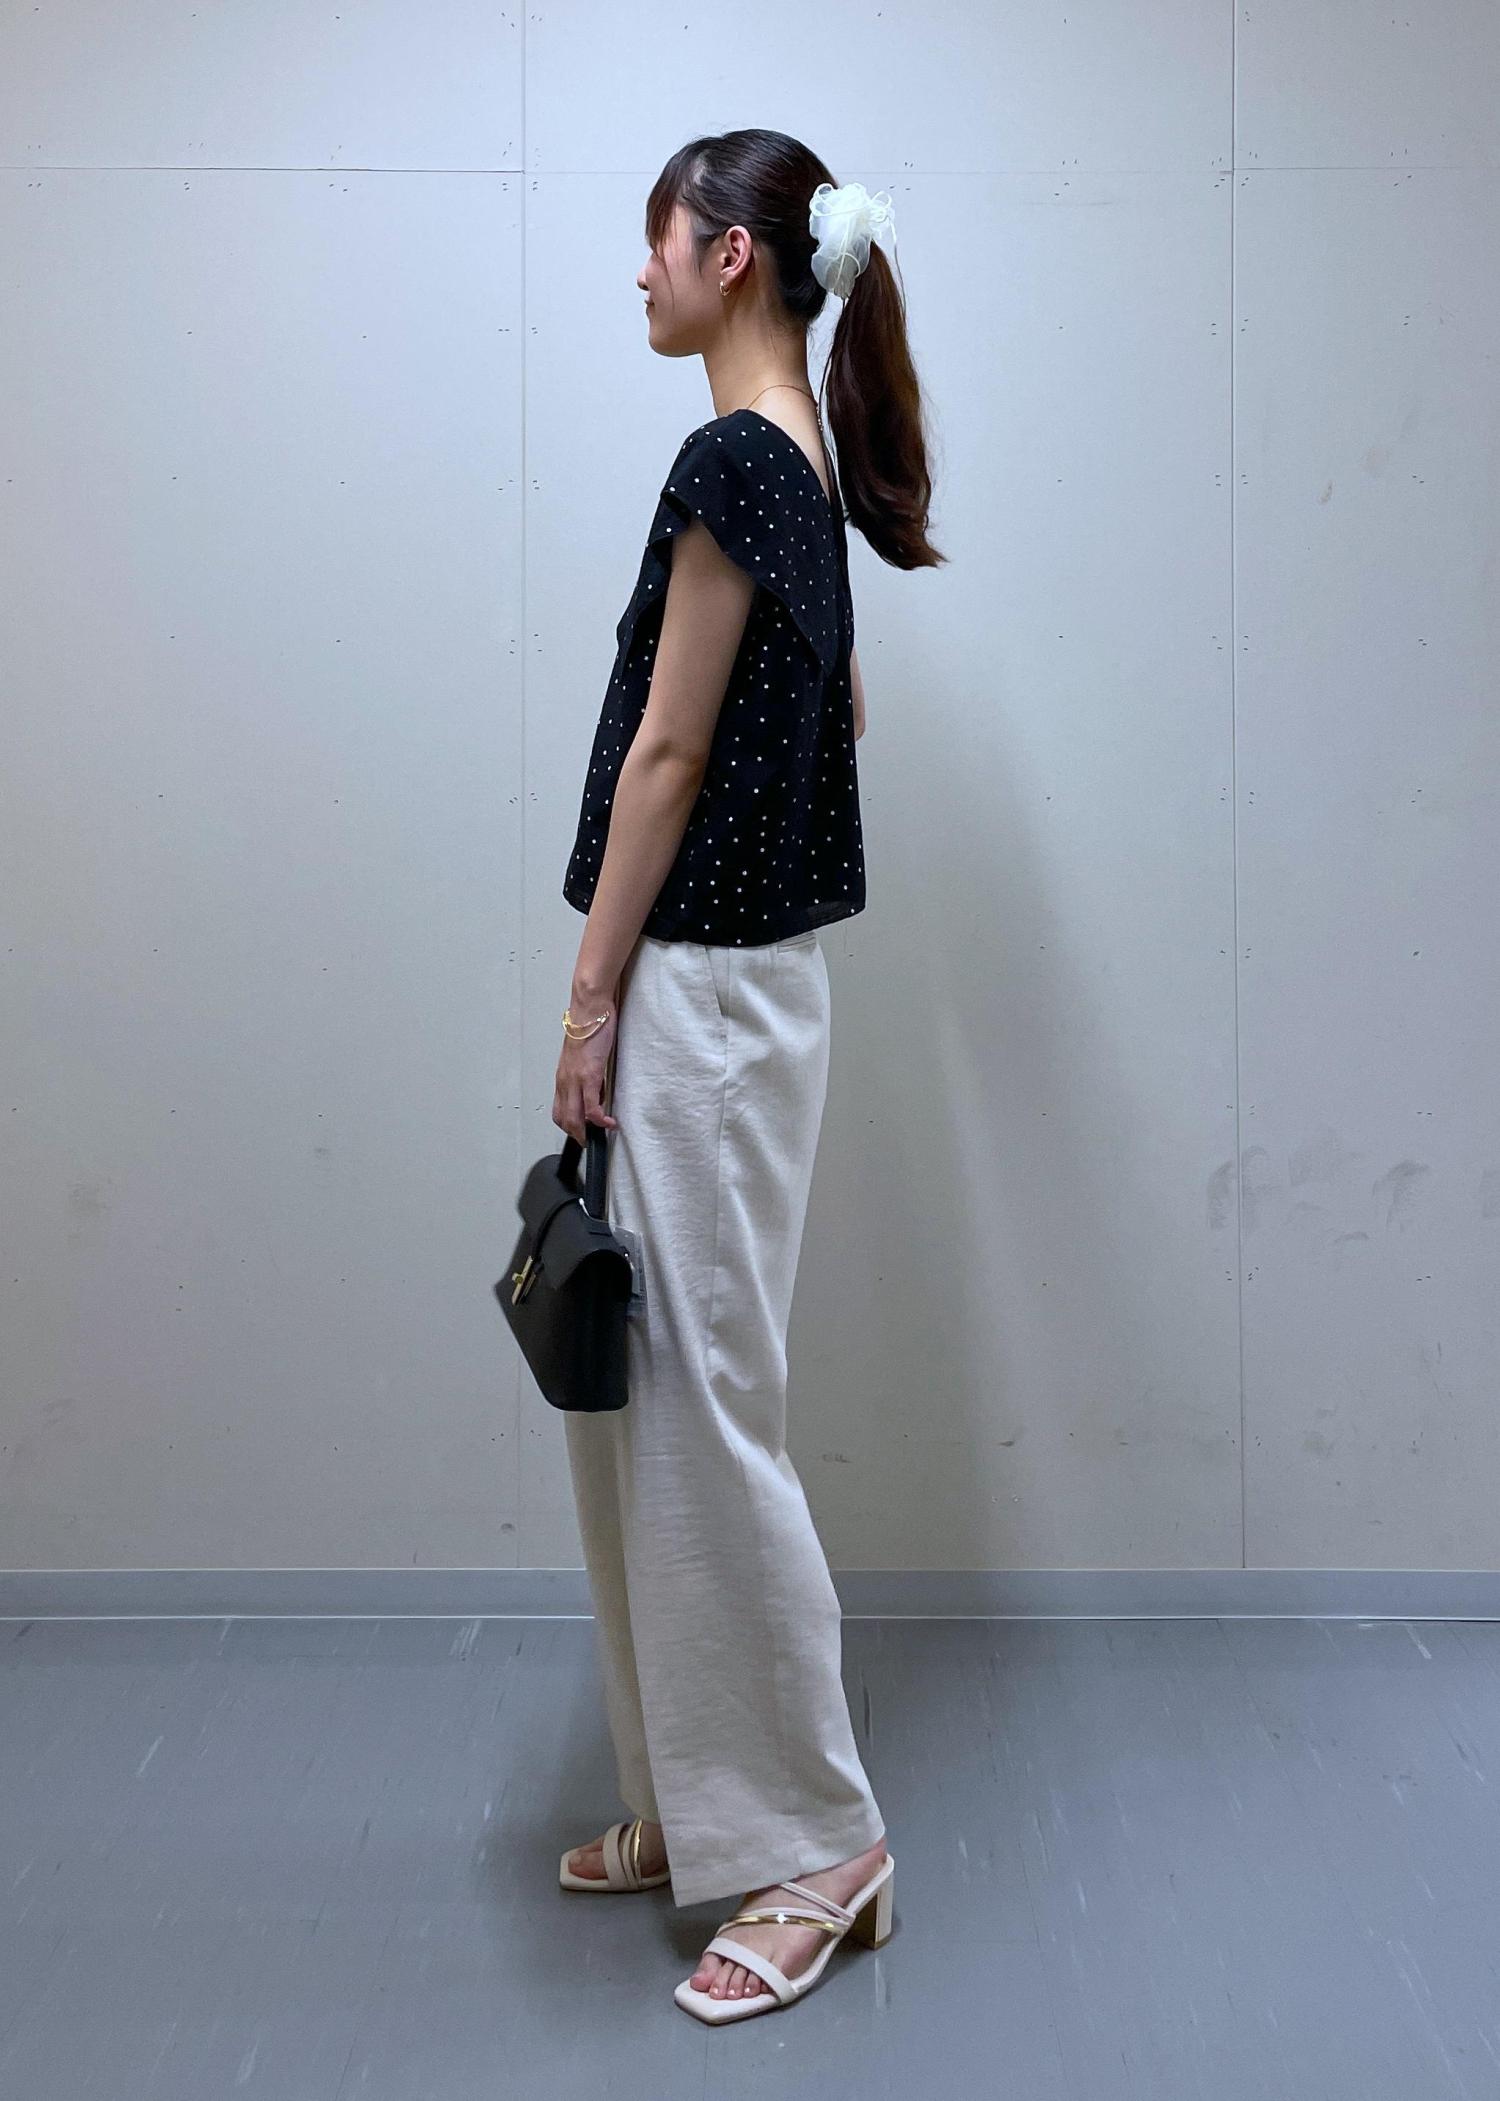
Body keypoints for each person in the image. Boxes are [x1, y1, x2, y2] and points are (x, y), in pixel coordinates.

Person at [551, 127, 944, 2024]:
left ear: (728, 255)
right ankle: (693, 1796)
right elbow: (828, 717)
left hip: (703, 1001)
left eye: (654, 243)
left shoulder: (736, 460)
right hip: (739, 996)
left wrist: (588, 995)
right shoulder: (802, 464)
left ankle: (814, 1844)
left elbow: (669, 754)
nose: (636, 276)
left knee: (703, 1414)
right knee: (649, 1402)